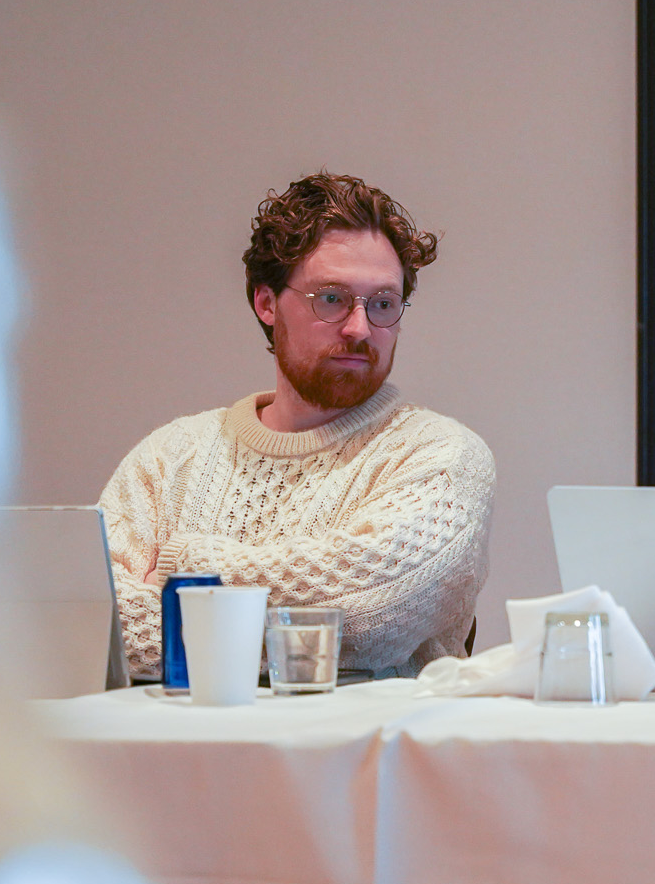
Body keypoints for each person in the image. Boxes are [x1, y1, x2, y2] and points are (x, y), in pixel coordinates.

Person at [100, 172, 494, 680]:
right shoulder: (169, 457)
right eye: (331, 299)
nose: (359, 327)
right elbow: (97, 621)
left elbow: (369, 613)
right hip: (184, 754)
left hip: (361, 755)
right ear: (267, 303)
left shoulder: (441, 457)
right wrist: (273, 624)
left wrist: (187, 565)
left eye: (383, 304)